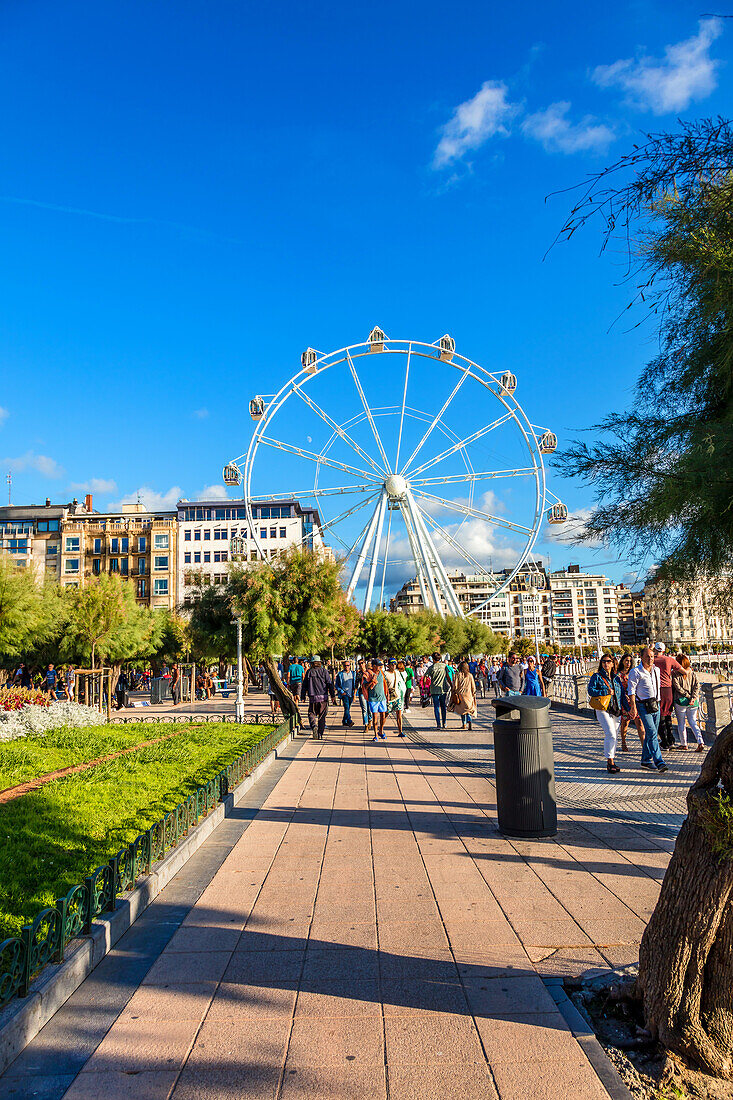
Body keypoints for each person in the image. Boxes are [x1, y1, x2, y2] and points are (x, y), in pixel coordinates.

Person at [628, 647, 667, 773]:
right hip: (643, 705)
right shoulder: (636, 672)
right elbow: (631, 690)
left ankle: (645, 760)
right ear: (641, 657)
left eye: (652, 656)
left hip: (656, 704)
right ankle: (659, 761)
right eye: (647, 656)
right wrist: (633, 706)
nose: (650, 659)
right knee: (652, 732)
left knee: (652, 733)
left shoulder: (657, 670)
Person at [588, 655, 622, 773]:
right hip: (603, 709)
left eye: (608, 662)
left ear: (613, 663)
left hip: (616, 709)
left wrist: (628, 709)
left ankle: (612, 759)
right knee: (611, 734)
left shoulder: (617, 678)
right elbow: (590, 690)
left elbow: (621, 695)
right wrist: (605, 691)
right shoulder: (596, 676)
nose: (606, 664)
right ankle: (609, 762)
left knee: (615, 736)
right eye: (603, 662)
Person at [671, 656, 704, 752]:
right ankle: (700, 741)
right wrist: (693, 697)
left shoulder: (675, 674)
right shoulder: (693, 673)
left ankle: (684, 744)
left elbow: (677, 687)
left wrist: (687, 696)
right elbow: (697, 686)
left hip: (680, 701)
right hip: (693, 702)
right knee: (693, 722)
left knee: (681, 723)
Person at [654, 642, 683, 749]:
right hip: (668, 689)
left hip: (656, 690)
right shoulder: (669, 659)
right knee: (668, 714)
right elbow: (683, 671)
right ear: (664, 650)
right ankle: (670, 740)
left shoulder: (652, 660)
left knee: (660, 715)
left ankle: (664, 741)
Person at [615, 654, 644, 752]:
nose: (628, 663)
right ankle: (623, 742)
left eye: (630, 661)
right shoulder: (618, 675)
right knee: (625, 723)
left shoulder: (634, 672)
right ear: (622, 661)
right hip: (624, 702)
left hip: (635, 701)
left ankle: (644, 745)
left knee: (639, 723)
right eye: (626, 660)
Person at [302, 655, 334, 739]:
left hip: (313, 697)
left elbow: (304, 685)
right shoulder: (324, 671)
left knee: (311, 713)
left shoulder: (309, 672)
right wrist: (333, 695)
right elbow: (329, 684)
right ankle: (320, 734)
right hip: (323, 698)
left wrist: (303, 696)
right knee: (322, 716)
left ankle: (313, 726)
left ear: (312, 663)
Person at [363, 659, 388, 741]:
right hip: (373, 699)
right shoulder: (368, 674)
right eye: (378, 665)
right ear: (374, 666)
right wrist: (372, 681)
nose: (380, 667)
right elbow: (365, 687)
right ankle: (375, 734)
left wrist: (386, 694)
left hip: (382, 698)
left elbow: (384, 683)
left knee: (383, 716)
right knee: (375, 718)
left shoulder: (382, 673)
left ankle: (381, 730)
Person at [450, 660, 477, 730]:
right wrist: (473, 693)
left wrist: (453, 691)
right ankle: (469, 720)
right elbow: (473, 686)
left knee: (462, 710)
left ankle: (464, 724)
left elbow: (455, 685)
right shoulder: (470, 675)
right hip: (469, 695)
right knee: (468, 709)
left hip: (461, 695)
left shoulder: (457, 675)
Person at [427, 652, 450, 730]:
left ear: (433, 659)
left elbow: (425, 678)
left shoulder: (431, 668)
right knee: (443, 706)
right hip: (443, 689)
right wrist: (451, 685)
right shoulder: (444, 666)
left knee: (436, 707)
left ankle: (438, 724)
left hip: (434, 690)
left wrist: (425, 688)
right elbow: (448, 676)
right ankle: (444, 722)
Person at [388, 659, 407, 736]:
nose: (394, 666)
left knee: (399, 713)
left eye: (395, 664)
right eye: (392, 664)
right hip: (389, 697)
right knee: (385, 715)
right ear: (388, 665)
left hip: (397, 696)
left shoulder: (397, 673)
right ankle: (381, 730)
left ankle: (400, 731)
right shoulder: (385, 674)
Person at [335, 660, 355, 727]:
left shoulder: (353, 673)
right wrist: (341, 691)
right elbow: (337, 685)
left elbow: (355, 684)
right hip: (344, 694)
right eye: (345, 665)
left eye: (348, 665)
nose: (346, 667)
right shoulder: (340, 674)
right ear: (343, 666)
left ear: (350, 666)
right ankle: (349, 721)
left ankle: (344, 721)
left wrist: (354, 693)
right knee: (346, 707)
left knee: (348, 708)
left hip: (351, 694)